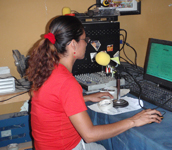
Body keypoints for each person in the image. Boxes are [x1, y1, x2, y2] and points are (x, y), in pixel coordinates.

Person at [26, 15, 162, 150]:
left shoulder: (49, 69)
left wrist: (84, 98)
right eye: (85, 39)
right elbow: (89, 135)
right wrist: (134, 121)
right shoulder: (66, 82)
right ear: (73, 44)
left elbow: (53, 101)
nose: (86, 43)